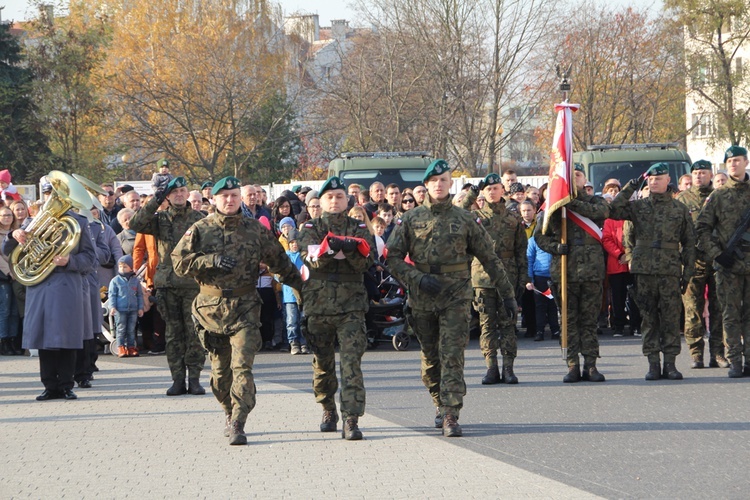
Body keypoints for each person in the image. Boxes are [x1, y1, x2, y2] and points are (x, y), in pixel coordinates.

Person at [387, 160, 516, 437]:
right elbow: (392, 259)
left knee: (453, 355)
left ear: (450, 183)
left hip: (456, 294)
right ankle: (438, 401)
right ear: (426, 185)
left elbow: (490, 260)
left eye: (443, 179)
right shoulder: (410, 219)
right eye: (433, 180)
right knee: (431, 358)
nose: (438, 184)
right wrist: (417, 279)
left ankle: (450, 412)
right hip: (422, 295)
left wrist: (508, 295)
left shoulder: (465, 219)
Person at [172, 176, 303, 445]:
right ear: (214, 200)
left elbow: (280, 263)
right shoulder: (200, 229)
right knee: (220, 375)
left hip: (245, 308)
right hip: (211, 310)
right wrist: (209, 260)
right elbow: (178, 264)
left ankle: (239, 421)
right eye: (224, 196)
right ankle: (228, 411)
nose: (229, 200)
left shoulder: (255, 230)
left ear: (239, 198)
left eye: (234, 195)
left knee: (242, 368)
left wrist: (305, 289)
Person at [297, 176, 374, 441]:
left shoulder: (360, 226)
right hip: (318, 306)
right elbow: (313, 259)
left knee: (351, 364)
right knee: (322, 364)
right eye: (330, 197)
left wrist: (350, 252)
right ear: (321, 200)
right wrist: (334, 251)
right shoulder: (309, 227)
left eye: (339, 196)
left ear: (347, 200)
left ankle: (351, 419)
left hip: (351, 306)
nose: (335, 201)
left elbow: (367, 261)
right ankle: (328, 408)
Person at [2, 195, 97, 401]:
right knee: (44, 339)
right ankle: (49, 386)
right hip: (40, 286)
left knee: (67, 339)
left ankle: (66, 385)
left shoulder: (79, 223)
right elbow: (7, 251)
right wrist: (13, 235)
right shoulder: (32, 222)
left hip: (67, 286)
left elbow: (91, 259)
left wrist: (69, 260)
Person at [609, 162, 695, 380]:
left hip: (669, 270)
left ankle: (671, 364)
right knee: (648, 318)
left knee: (670, 318)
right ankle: (653, 364)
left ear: (668, 181)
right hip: (644, 270)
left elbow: (689, 243)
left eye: (659, 178)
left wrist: (688, 273)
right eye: (651, 179)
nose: (654, 182)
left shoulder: (679, 209)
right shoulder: (638, 206)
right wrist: (631, 186)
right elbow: (614, 209)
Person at [130, 176, 207, 396]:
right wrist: (156, 199)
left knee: (194, 333)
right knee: (173, 335)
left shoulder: (199, 218)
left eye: (182, 191)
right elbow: (136, 223)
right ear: (168, 196)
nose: (179, 195)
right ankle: (177, 379)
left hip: (193, 284)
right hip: (168, 285)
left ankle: (194, 379)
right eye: (174, 192)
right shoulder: (160, 219)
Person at [534, 163, 609, 383]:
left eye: (577, 175)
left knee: (589, 320)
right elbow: (540, 236)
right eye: (570, 175)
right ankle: (573, 364)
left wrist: (571, 203)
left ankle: (591, 364)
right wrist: (556, 248)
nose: (574, 178)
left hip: (591, 272)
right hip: (564, 272)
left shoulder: (594, 201)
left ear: (584, 179)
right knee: (568, 320)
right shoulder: (554, 207)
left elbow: (602, 213)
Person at [462, 173, 528, 385]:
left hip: (507, 277)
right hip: (482, 277)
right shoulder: (475, 216)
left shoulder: (513, 218)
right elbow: (456, 212)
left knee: (508, 323)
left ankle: (508, 367)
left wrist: (522, 279)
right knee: (487, 324)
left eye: (496, 188)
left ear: (503, 190)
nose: (492, 192)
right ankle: (491, 367)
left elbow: (521, 251)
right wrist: (472, 192)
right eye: (488, 189)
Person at [695, 146, 750, 377]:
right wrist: (717, 254)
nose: (733, 165)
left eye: (737, 160)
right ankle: (735, 361)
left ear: (746, 162)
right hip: (727, 267)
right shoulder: (717, 195)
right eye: (729, 161)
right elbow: (702, 229)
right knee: (730, 315)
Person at [677, 160, 727, 368]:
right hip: (692, 261)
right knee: (692, 310)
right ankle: (696, 353)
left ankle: (718, 353)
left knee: (719, 309)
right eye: (695, 173)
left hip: (718, 260)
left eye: (703, 173)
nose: (699, 176)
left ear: (710, 175)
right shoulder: (682, 200)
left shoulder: (720, 197)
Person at [602, 216, 641, 337]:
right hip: (616, 264)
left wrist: (630, 256)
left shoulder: (633, 218)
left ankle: (636, 325)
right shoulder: (609, 220)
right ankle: (618, 326)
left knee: (635, 297)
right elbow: (606, 240)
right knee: (618, 298)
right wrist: (619, 255)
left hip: (633, 264)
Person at [109, 255, 144, 357]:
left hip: (133, 309)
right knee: (121, 328)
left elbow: (139, 295)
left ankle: (131, 347)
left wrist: (140, 307)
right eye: (120, 267)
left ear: (130, 267)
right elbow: (112, 295)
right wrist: (112, 307)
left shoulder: (135, 281)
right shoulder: (115, 281)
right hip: (120, 310)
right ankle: (120, 347)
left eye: (125, 267)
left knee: (131, 329)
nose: (122, 269)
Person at [281, 230, 309, 355]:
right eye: (292, 242)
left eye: (296, 242)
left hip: (304, 294)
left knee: (304, 320)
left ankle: (304, 343)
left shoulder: (305, 256)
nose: (294, 245)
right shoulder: (284, 256)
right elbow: (277, 274)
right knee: (291, 321)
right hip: (289, 295)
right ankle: (293, 343)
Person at [0, 206, 20, 355]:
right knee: (5, 310)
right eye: (3, 215)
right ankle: (3, 340)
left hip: (18, 274)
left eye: (9, 215)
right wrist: (10, 271)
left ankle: (13, 340)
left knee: (14, 310)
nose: (7, 217)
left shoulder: (17, 232)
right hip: (4, 276)